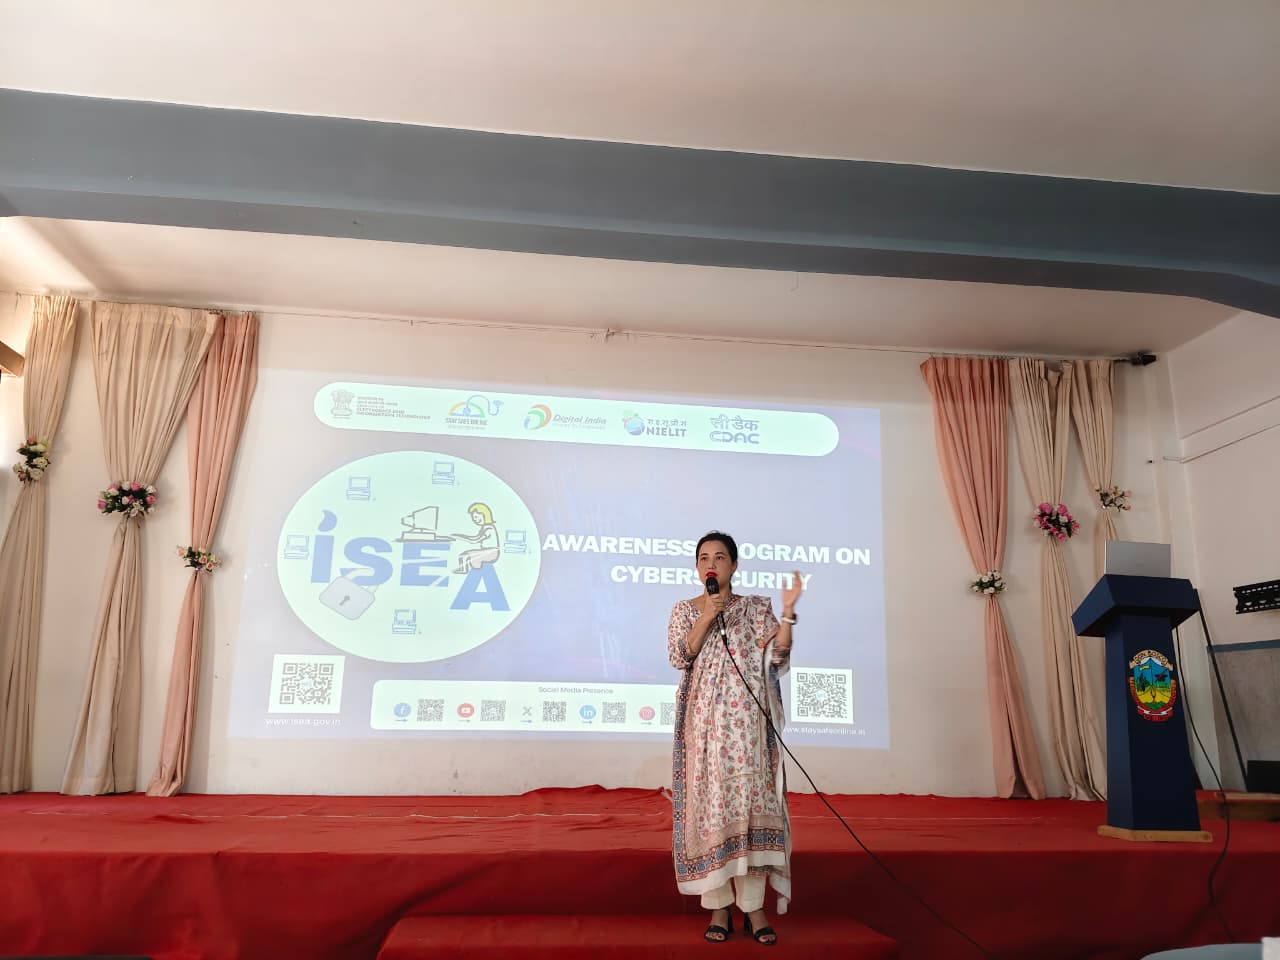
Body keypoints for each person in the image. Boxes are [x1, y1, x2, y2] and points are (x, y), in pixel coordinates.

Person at [668, 531, 802, 946]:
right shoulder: (685, 610)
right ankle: (719, 907)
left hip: (747, 732)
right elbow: (679, 655)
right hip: (706, 731)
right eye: (704, 558)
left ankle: (754, 908)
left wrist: (787, 615)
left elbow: (777, 658)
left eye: (720, 557)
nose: (711, 564)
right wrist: (708, 614)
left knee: (750, 812)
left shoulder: (756, 608)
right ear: (697, 567)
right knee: (713, 813)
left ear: (734, 565)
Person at [452, 502, 500, 574]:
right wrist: (459, 536)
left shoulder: (489, 529)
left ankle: (464, 570)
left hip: (491, 552)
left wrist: (459, 537)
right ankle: (475, 570)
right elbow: (475, 537)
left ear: (484, 515)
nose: (475, 520)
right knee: (469, 558)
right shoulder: (485, 527)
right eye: (473, 518)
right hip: (486, 551)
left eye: (476, 517)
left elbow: (475, 540)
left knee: (464, 556)